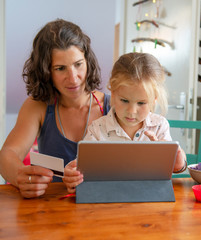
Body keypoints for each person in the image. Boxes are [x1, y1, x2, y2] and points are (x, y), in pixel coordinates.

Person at [0, 19, 111, 198]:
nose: (73, 78)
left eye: (78, 64)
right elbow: (6, 157)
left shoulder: (114, 106)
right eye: (60, 68)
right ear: (46, 72)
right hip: (52, 211)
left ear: (88, 61)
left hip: (105, 205)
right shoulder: (38, 106)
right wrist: (20, 177)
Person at [64, 52, 187, 193]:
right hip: (107, 198)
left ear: (154, 100)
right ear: (113, 93)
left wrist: (179, 163)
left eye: (141, 103)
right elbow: (80, 169)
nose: (132, 111)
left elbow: (172, 168)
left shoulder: (159, 126)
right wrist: (73, 176)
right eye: (124, 100)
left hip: (150, 199)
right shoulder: (97, 129)